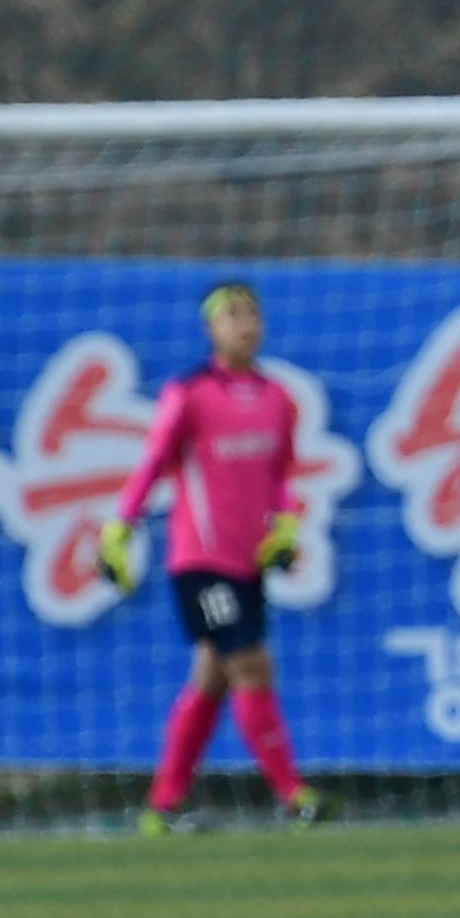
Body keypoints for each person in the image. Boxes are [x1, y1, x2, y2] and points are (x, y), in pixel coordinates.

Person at [102, 281, 320, 832]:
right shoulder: (189, 393)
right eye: (231, 314)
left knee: (212, 676)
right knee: (250, 661)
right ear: (211, 329)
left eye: (251, 312)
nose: (244, 323)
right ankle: (294, 795)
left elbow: (281, 478)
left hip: (248, 564)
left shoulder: (278, 399)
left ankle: (162, 805)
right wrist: (119, 529)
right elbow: (153, 462)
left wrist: (287, 528)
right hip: (199, 563)